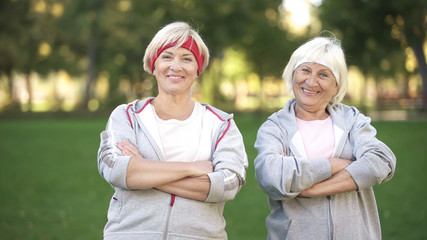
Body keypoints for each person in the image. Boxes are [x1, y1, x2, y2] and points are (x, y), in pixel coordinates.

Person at [97, 22, 248, 240]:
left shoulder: (221, 124)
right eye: (167, 56)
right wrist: (193, 169)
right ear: (153, 64)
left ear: (198, 69)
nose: (175, 66)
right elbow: (114, 168)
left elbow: (227, 184)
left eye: (186, 58)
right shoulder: (128, 116)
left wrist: (143, 170)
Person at [254, 36, 396, 240]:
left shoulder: (353, 120)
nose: (311, 81)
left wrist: (311, 189)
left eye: (323, 74)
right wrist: (335, 164)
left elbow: (382, 162)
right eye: (305, 70)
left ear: (336, 85)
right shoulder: (274, 128)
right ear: (293, 73)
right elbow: (271, 177)